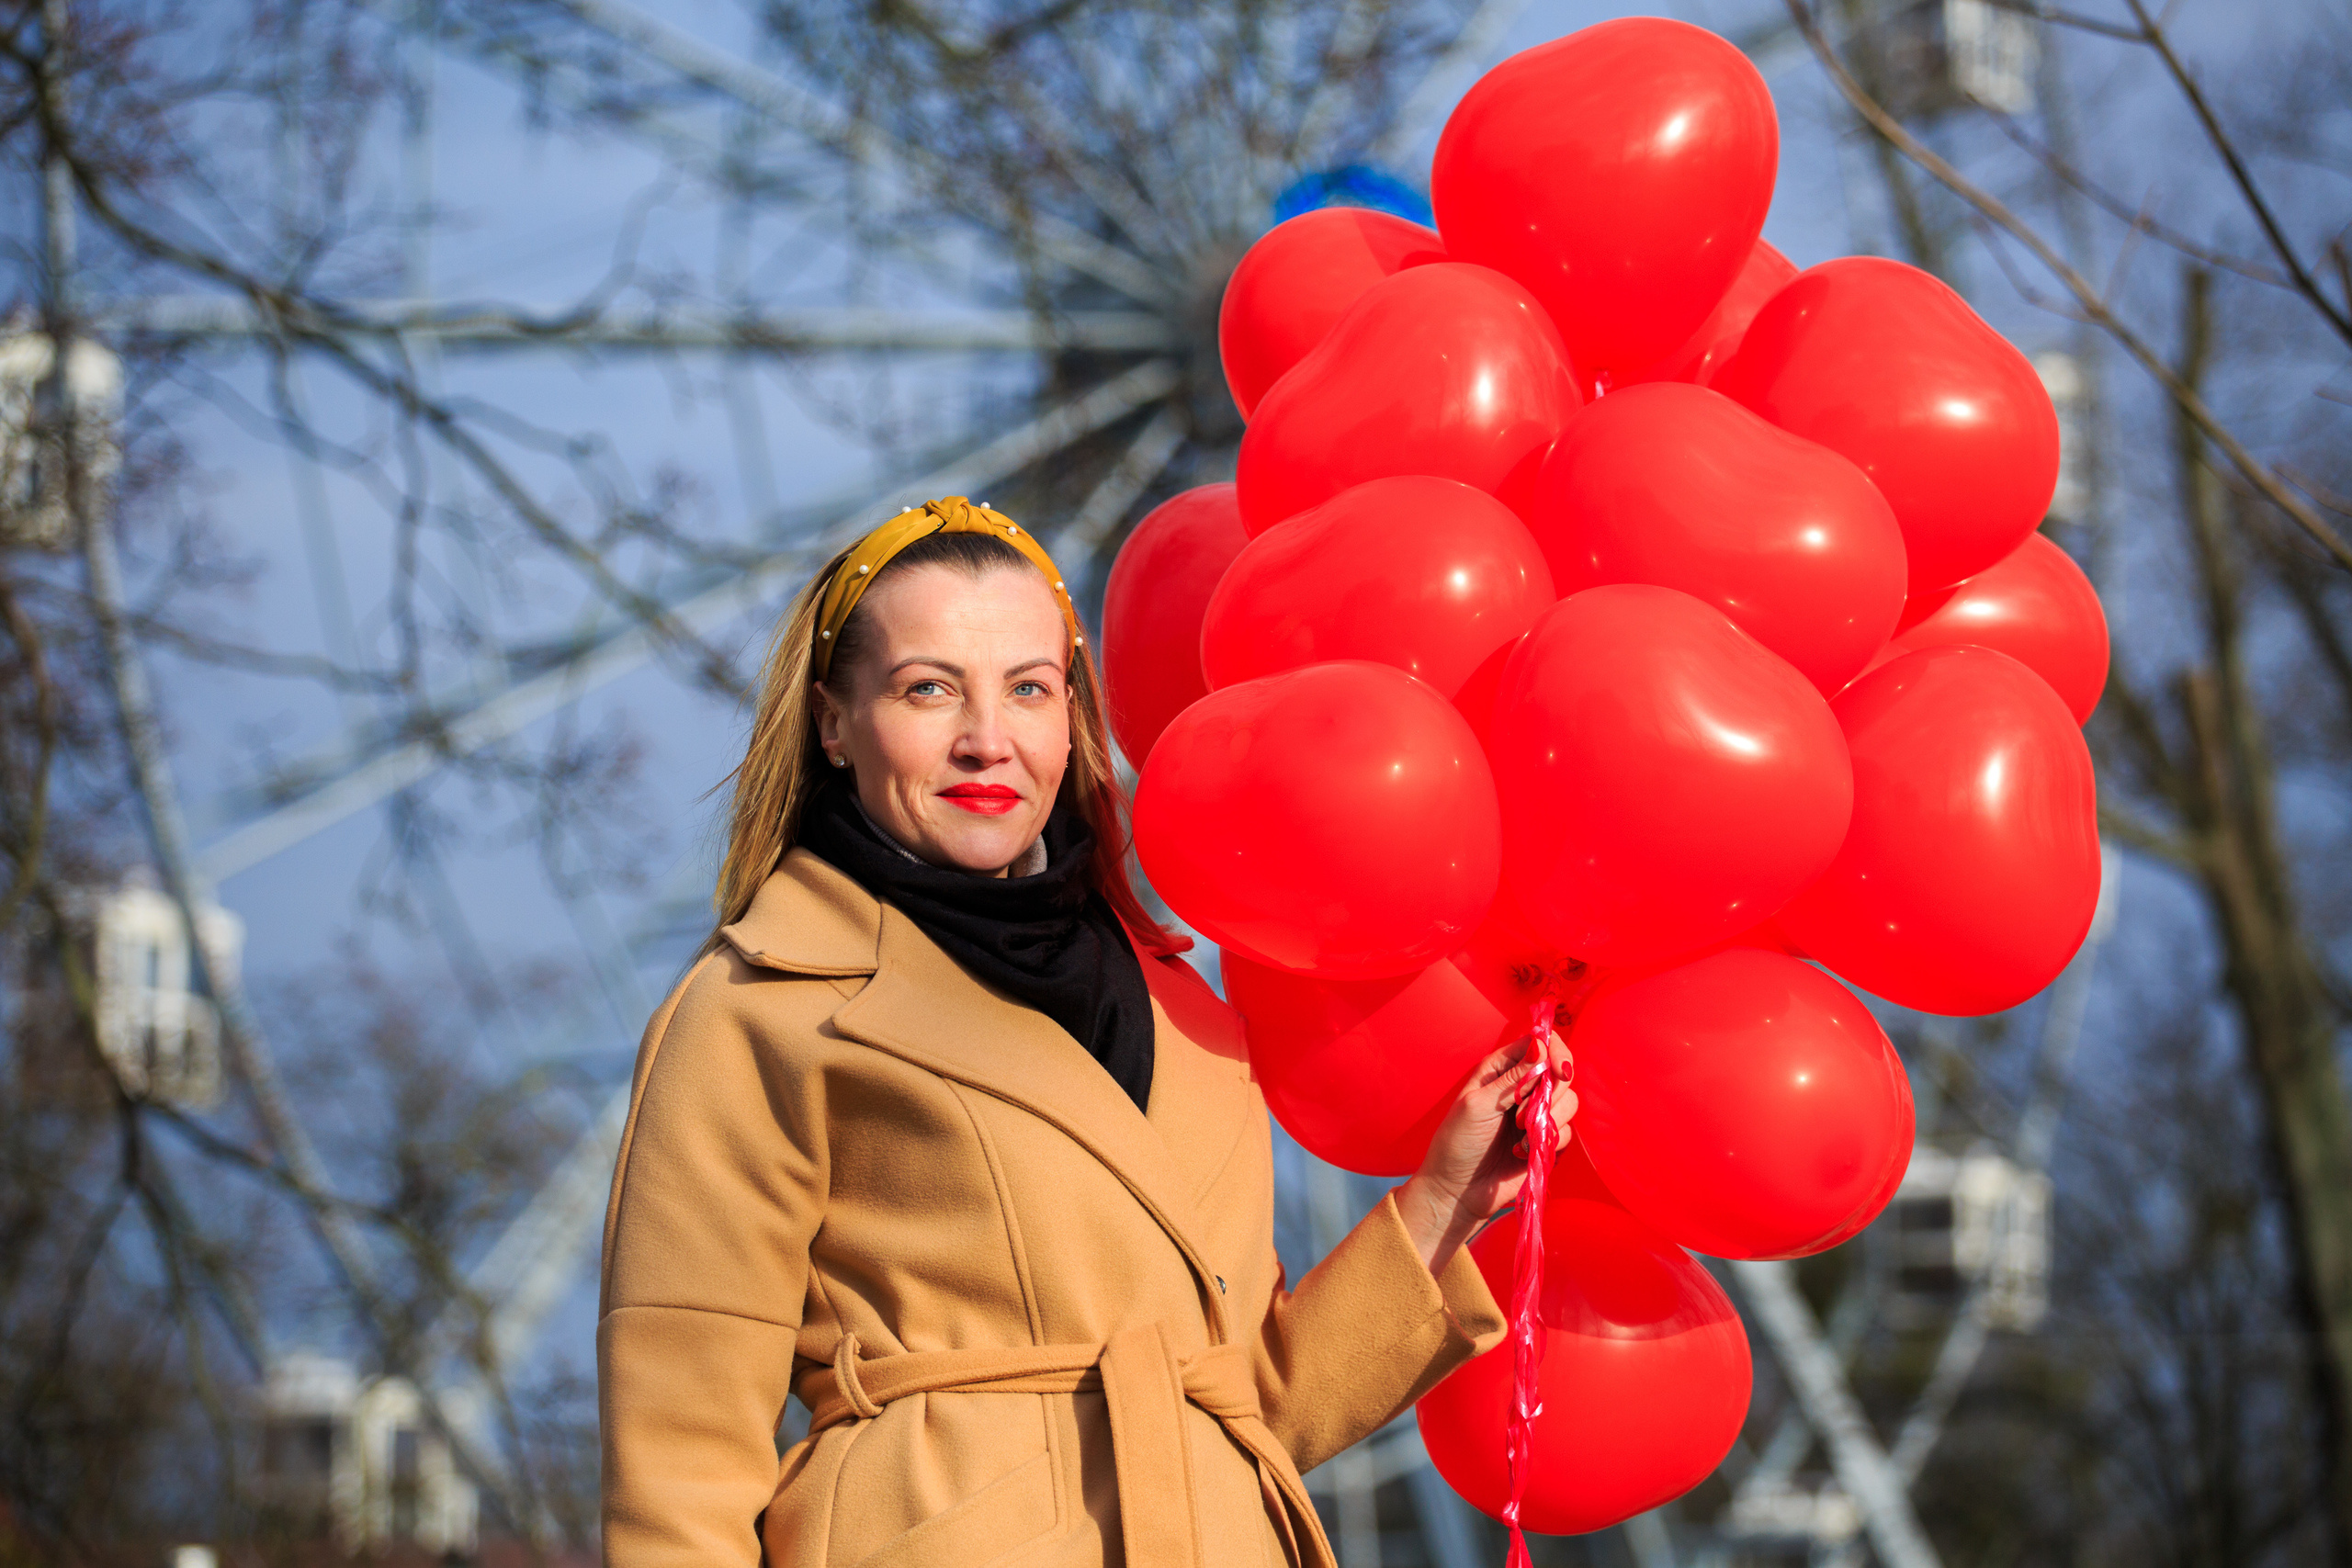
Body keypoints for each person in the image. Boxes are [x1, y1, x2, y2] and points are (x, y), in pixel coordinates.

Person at [597, 495, 1575, 1568]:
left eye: (1028, 689)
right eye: (928, 689)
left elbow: (1248, 1412)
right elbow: (677, 1467)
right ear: (833, 720)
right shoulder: (765, 1007)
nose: (986, 739)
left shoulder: (1183, 1007)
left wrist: (1442, 1201)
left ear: (1072, 719)